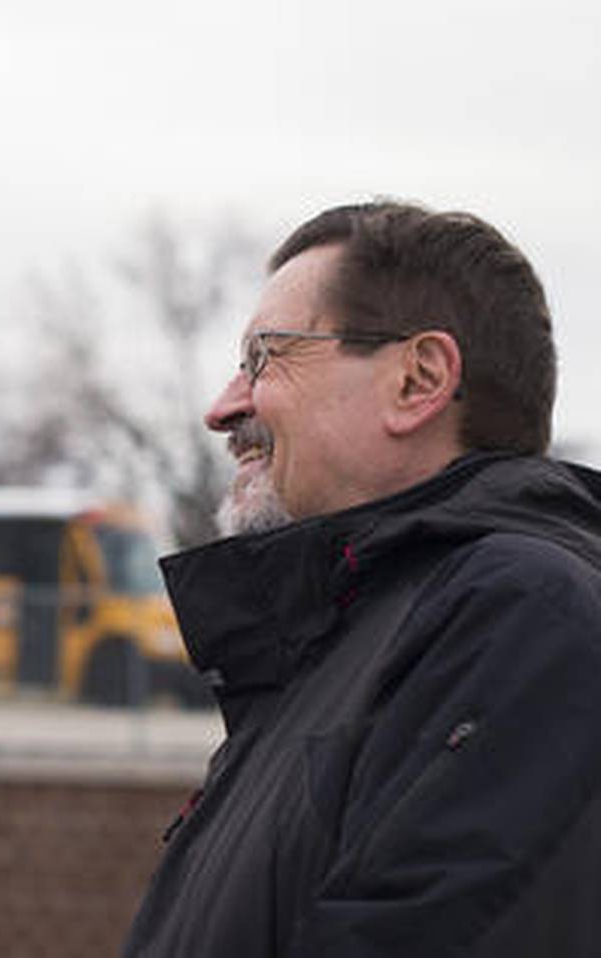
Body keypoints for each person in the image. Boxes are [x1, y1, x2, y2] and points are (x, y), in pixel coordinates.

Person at [123, 201, 601, 956]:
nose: (223, 408)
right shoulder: (354, 638)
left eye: (263, 357)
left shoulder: (520, 614)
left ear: (419, 379)